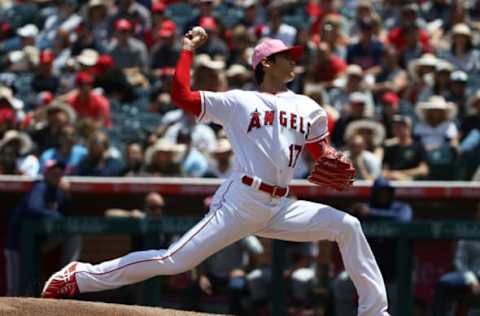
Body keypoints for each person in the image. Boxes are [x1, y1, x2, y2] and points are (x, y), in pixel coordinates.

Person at [41, 29, 390, 316]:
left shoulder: (310, 108)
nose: (293, 60)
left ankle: (375, 312)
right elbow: (182, 96)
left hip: (283, 205)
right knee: (173, 260)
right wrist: (187, 51)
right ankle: (81, 276)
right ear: (266, 63)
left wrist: (332, 157)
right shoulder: (238, 101)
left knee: (348, 226)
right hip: (241, 201)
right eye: (286, 56)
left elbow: (320, 153)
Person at [333, 177, 412, 316]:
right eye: (380, 192)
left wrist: (371, 214)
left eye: (387, 192)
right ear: (374, 193)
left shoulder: (401, 208)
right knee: (341, 284)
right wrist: (356, 211)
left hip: (393, 272)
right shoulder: (362, 208)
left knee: (393, 300)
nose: (384, 195)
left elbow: (404, 220)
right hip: (365, 270)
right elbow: (343, 221)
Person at [4, 160, 81, 296]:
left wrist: (67, 194)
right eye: (53, 171)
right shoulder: (40, 186)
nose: (57, 173)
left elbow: (68, 216)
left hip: (36, 245)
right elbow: (34, 208)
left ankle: (67, 278)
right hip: (17, 245)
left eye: (60, 171)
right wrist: (55, 215)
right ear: (45, 173)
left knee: (72, 233)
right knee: (15, 289)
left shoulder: (59, 192)